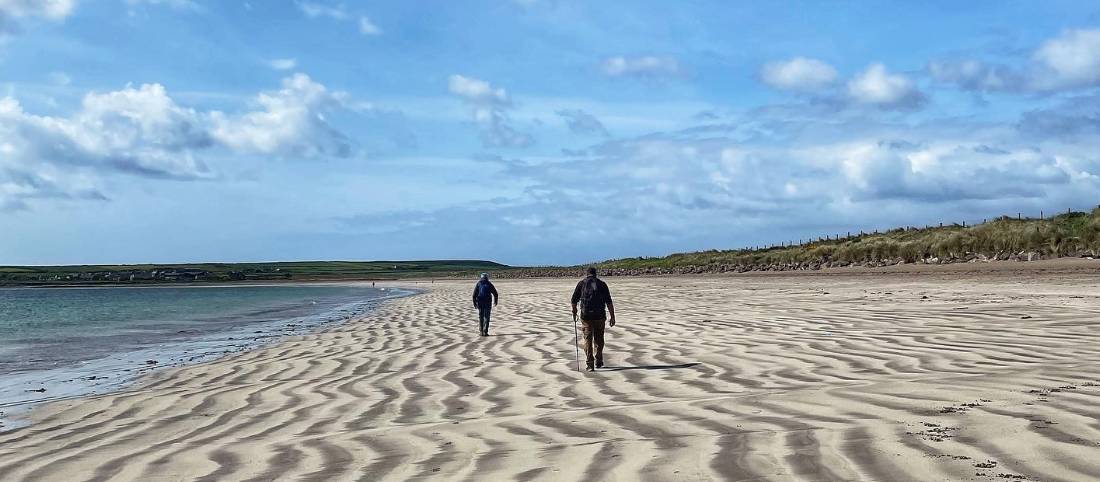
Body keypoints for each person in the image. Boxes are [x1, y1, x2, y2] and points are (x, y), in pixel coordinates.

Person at [571, 267, 615, 371]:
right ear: (596, 274)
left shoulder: (581, 284)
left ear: (587, 274)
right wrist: (612, 316)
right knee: (599, 339)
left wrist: (574, 312)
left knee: (588, 339)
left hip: (586, 316)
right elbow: (609, 301)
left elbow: (573, 300)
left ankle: (590, 364)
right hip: (600, 316)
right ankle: (598, 360)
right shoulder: (602, 284)